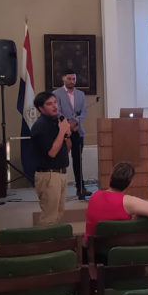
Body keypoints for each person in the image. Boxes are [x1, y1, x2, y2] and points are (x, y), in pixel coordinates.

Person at [85, 161, 148, 239]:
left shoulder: (94, 196)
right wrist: (139, 211)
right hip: (121, 248)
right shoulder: (127, 202)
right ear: (130, 183)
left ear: (110, 176)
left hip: (94, 248)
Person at [30, 91, 71, 226]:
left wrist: (67, 135)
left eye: (55, 102)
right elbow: (52, 152)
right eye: (49, 104)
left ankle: (54, 238)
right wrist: (62, 131)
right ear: (41, 108)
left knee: (59, 212)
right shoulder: (40, 126)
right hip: (49, 175)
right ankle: (45, 239)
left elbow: (66, 149)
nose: (54, 106)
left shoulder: (56, 123)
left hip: (61, 173)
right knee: (49, 216)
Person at [53, 68, 90, 200]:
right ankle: (58, 188)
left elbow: (84, 112)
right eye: (69, 79)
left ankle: (80, 188)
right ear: (63, 78)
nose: (72, 81)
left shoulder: (80, 94)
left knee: (77, 160)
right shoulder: (56, 94)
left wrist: (75, 122)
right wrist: (68, 124)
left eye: (74, 79)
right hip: (62, 132)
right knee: (61, 160)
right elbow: (57, 112)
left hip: (77, 131)